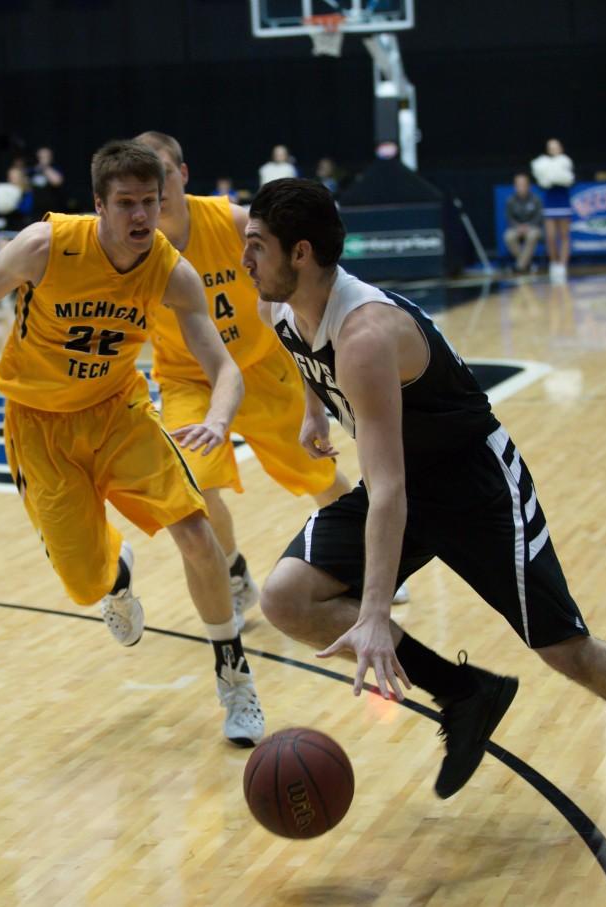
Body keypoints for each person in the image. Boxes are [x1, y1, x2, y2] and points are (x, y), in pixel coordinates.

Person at [245, 177, 606, 834]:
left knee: (568, 650)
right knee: (286, 597)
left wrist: (374, 615)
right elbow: (307, 362)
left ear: (302, 253)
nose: (245, 259)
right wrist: (316, 410)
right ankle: (465, 692)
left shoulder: (366, 333)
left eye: (256, 247)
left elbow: (388, 489)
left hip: (476, 485)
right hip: (409, 478)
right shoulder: (280, 309)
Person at [0, 139, 265, 746]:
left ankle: (233, 672)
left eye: (149, 202)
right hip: (39, 424)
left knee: (195, 531)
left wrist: (220, 419)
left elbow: (224, 368)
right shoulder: (45, 247)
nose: (142, 217)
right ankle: (116, 579)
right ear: (99, 205)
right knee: (84, 580)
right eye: (125, 204)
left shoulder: (170, 270)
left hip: (118, 410)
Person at [135, 131, 408, 624]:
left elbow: (304, 263)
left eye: (165, 173)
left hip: (260, 367)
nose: (158, 188)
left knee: (320, 474)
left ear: (183, 173)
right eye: (146, 179)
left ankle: (370, 563)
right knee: (194, 489)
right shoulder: (131, 242)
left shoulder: (231, 220)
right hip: (187, 380)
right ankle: (235, 574)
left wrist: (314, 393)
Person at [530, 139, 574, 282]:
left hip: (563, 201)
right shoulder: (542, 164)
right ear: (548, 150)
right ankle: (554, 263)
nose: (554, 149)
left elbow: (571, 180)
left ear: (561, 148)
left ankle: (563, 265)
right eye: (551, 147)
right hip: (550, 203)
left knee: (564, 236)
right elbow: (541, 183)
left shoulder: (566, 162)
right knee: (550, 236)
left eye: (556, 147)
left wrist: (562, 178)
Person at [502, 173, 543, 275]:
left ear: (528, 186)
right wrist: (518, 227)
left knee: (532, 235)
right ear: (515, 186)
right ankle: (526, 265)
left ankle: (519, 266)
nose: (521, 187)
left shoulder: (536, 199)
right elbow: (509, 218)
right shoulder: (510, 200)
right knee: (508, 236)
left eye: (523, 185)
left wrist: (528, 226)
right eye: (518, 185)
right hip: (516, 228)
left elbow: (539, 217)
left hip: (533, 228)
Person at [28, 146, 65, 219]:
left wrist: (45, 167)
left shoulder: (55, 169)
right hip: (35, 210)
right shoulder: (32, 170)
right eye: (41, 157)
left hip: (53, 210)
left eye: (46, 156)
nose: (44, 159)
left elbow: (57, 182)